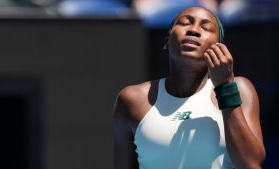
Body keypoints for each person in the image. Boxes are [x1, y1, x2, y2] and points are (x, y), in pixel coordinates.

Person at [113, 6, 266, 169]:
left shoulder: (240, 88)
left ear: (219, 47)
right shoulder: (131, 99)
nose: (194, 30)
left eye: (206, 27)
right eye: (185, 23)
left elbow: (250, 164)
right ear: (166, 41)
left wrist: (225, 88)